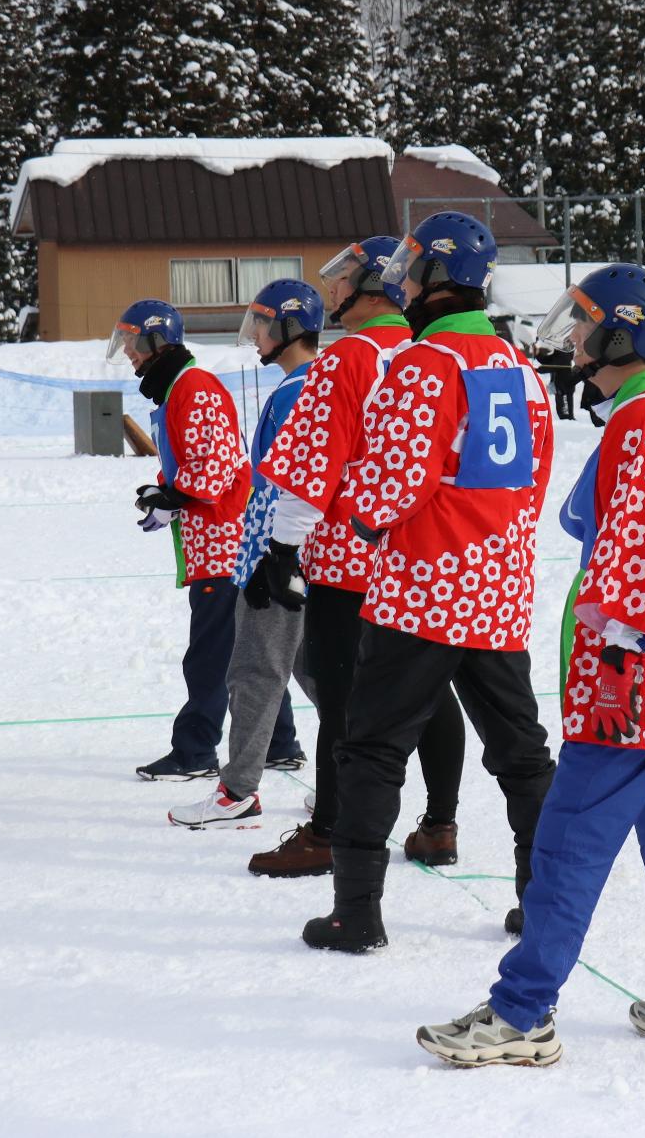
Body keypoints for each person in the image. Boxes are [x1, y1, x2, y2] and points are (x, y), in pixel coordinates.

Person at [416, 264, 645, 1068]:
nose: (570, 337)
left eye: (584, 323)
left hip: (639, 675)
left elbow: (644, 549)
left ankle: (521, 1010)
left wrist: (615, 661)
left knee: (567, 838)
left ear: (620, 334)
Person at [282, 211, 556, 952]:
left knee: (370, 747)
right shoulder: (518, 366)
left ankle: (356, 911)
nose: (397, 276)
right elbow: (534, 479)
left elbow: (387, 489)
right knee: (523, 754)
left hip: (422, 590)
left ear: (433, 276)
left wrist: (347, 509)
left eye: (408, 264)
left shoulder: (425, 365)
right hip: (497, 591)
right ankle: (543, 899)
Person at [246, 237, 469, 877]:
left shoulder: (350, 358)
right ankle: (439, 823)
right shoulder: (432, 352)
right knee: (429, 693)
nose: (333, 292)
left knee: (344, 700)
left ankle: (330, 831)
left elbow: (312, 465)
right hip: (413, 556)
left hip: (347, 554)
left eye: (342, 278)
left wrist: (282, 548)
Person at [169, 280, 322, 828]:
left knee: (256, 670)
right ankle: (339, 779)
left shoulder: (296, 392)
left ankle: (237, 791)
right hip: (310, 552)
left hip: (279, 551)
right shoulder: (316, 384)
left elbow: (288, 485)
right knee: (314, 671)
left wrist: (271, 553)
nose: (253, 337)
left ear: (286, 328)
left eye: (260, 324)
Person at [111, 298, 252, 782]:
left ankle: (195, 752)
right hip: (213, 540)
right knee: (238, 650)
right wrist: (163, 490)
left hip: (224, 543)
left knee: (210, 654)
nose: (128, 353)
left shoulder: (194, 387)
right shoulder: (177, 389)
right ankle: (278, 743)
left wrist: (173, 496)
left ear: (155, 342)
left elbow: (212, 472)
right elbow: (191, 462)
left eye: (131, 343)